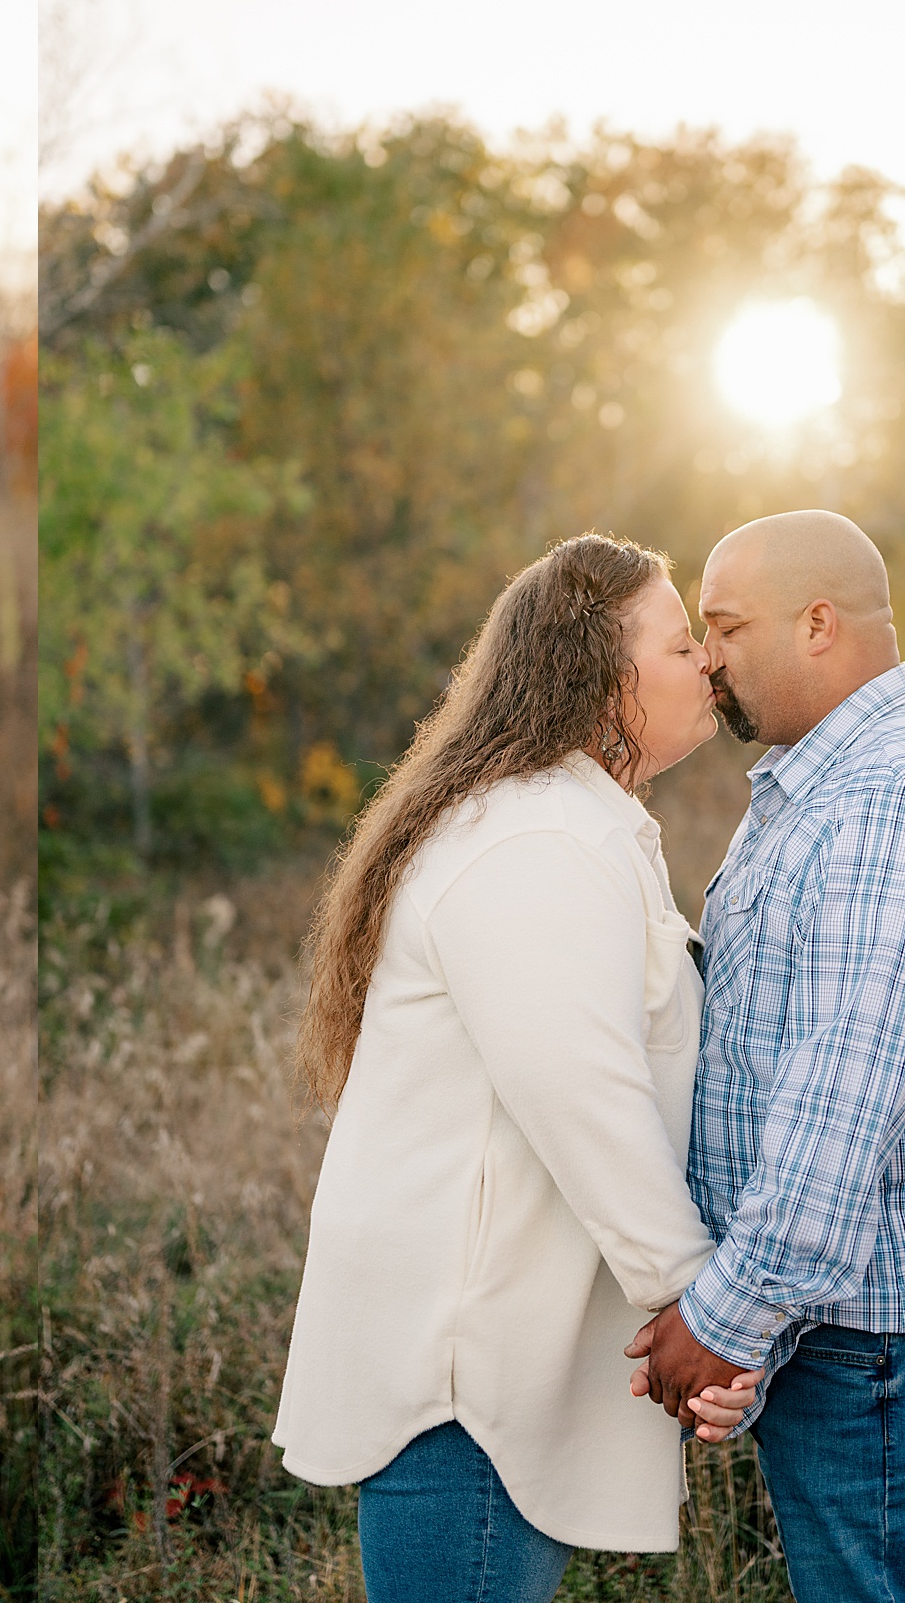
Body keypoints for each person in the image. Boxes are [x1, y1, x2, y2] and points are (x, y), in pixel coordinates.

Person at [273, 532, 760, 1603]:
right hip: (468, 1387)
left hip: (493, 1373)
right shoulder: (536, 843)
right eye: (681, 645)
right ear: (600, 677)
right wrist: (698, 1308)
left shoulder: (566, 825)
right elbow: (584, 1097)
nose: (708, 666)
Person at [629, 509, 905, 1603]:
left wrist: (719, 1322)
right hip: (844, 1334)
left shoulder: (897, 798)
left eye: (723, 624)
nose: (706, 655)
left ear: (818, 622)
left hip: (893, 1342)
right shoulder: (810, 789)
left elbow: (838, 1108)